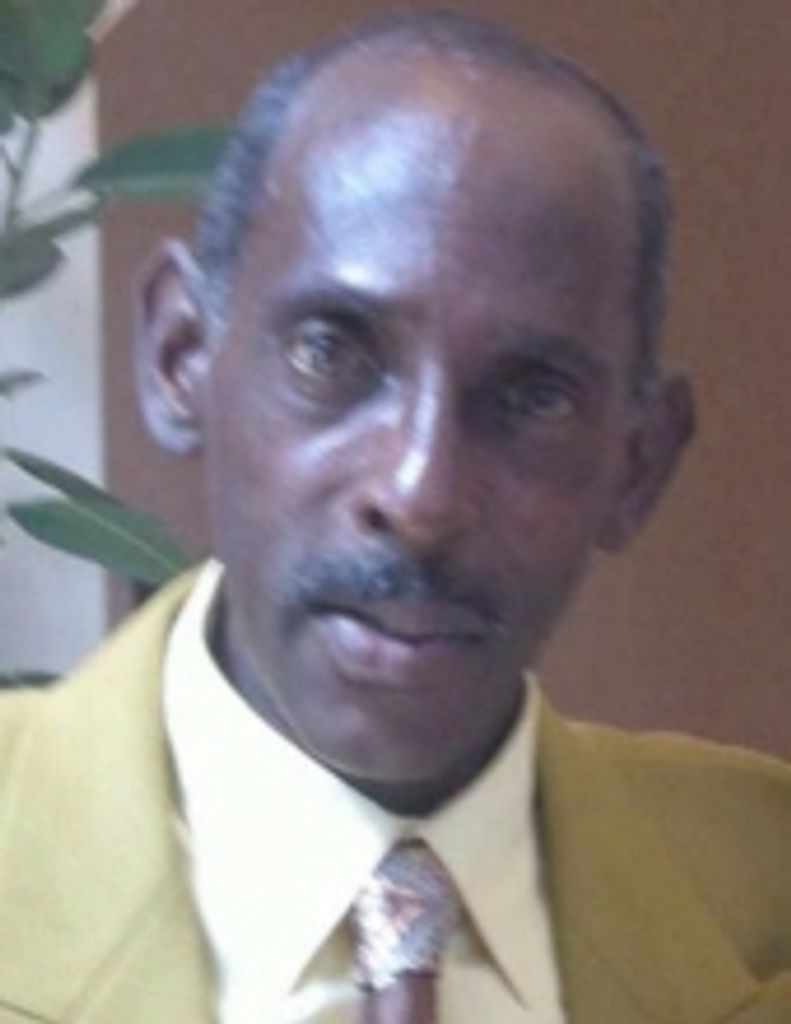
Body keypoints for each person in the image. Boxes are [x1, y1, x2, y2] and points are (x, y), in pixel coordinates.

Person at [2, 11, 791, 1023]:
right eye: (329, 351)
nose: (419, 496)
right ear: (180, 354)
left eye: (533, 396)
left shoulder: (761, 890)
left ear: (637, 464)